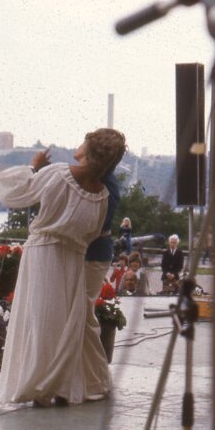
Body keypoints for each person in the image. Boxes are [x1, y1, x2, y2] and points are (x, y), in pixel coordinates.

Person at [0, 127, 127, 407]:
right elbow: (91, 233)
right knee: (68, 321)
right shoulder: (102, 195)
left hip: (42, 253)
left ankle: (37, 383)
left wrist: (33, 167)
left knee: (38, 319)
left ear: (89, 151)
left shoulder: (57, 173)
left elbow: (17, 194)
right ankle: (61, 383)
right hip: (73, 260)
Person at [80, 143, 126, 403]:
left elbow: (94, 227)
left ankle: (97, 376)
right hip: (92, 254)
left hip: (94, 255)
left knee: (85, 314)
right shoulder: (103, 182)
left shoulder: (106, 186)